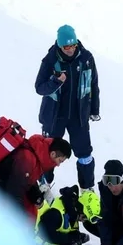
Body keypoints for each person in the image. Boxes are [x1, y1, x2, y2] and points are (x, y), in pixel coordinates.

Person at [35, 24, 101, 192]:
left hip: (78, 116)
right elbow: (39, 87)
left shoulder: (86, 58)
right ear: (60, 45)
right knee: (49, 151)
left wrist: (94, 110)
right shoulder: (50, 60)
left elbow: (93, 85)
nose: (71, 49)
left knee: (84, 153)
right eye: (66, 47)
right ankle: (44, 185)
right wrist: (56, 81)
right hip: (54, 116)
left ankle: (87, 189)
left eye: (73, 45)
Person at [0, 133, 71, 223]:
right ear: (53, 154)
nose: (58, 165)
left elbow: (25, 180)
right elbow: (14, 192)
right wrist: (22, 222)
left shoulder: (36, 155)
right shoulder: (27, 158)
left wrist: (36, 194)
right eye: (60, 161)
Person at [35, 184, 102, 245]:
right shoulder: (56, 212)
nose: (83, 220)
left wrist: (77, 237)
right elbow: (44, 233)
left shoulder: (72, 212)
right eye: (85, 217)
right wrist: (71, 238)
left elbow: (66, 231)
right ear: (81, 209)